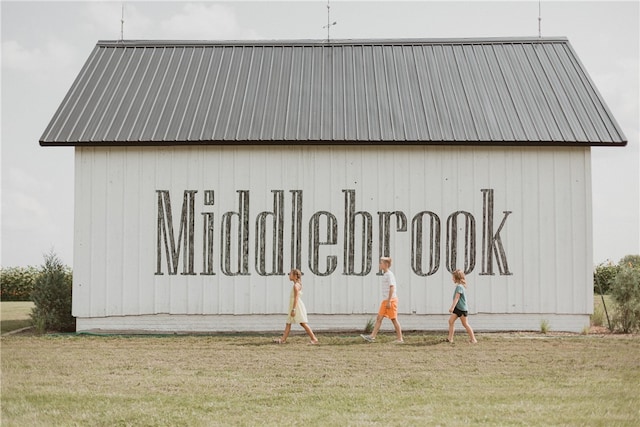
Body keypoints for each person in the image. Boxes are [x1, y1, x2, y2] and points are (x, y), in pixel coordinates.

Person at [361, 257, 403, 343]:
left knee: (394, 319)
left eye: (381, 263)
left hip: (391, 300)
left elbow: (392, 288)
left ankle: (400, 339)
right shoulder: (385, 274)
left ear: (386, 265)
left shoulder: (389, 275)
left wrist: (389, 301)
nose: (379, 265)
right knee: (379, 318)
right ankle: (372, 336)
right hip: (385, 300)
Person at [274, 269, 319, 345]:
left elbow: (296, 298)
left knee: (302, 323)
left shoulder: (296, 286)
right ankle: (283, 339)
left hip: (296, 306)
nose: (289, 275)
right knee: (288, 322)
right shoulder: (297, 284)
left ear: (295, 276)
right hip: (293, 305)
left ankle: (314, 338)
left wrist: (294, 309)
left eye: (290, 274)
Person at [447, 269, 477, 343]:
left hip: (462, 309)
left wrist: (452, 307)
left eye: (453, 277)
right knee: (451, 321)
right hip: (458, 308)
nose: (452, 279)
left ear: (457, 278)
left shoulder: (459, 287)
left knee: (465, 324)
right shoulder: (459, 286)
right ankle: (450, 339)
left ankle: (473, 339)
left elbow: (457, 298)